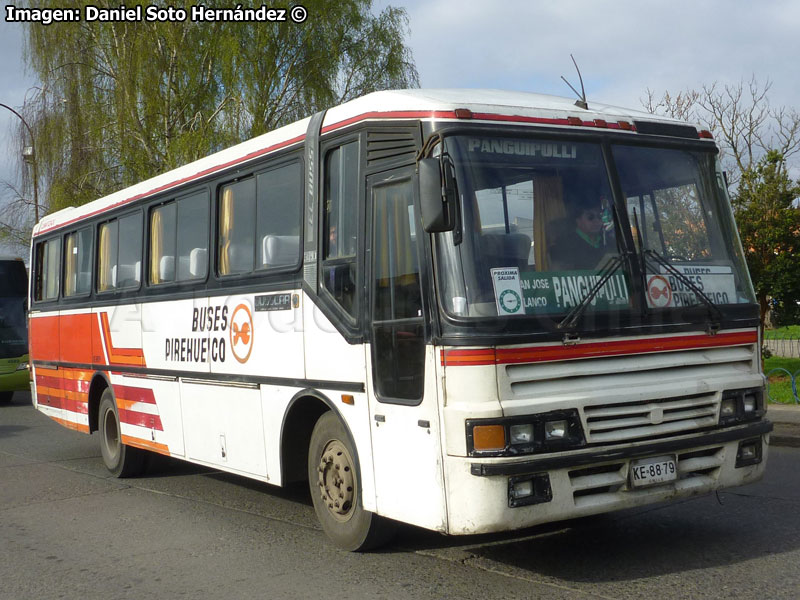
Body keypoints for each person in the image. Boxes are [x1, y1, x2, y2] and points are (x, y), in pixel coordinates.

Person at [550, 197, 616, 270]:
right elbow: (560, 275)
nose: (596, 221)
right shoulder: (563, 245)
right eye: (590, 217)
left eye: (599, 217)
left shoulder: (610, 242)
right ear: (578, 221)